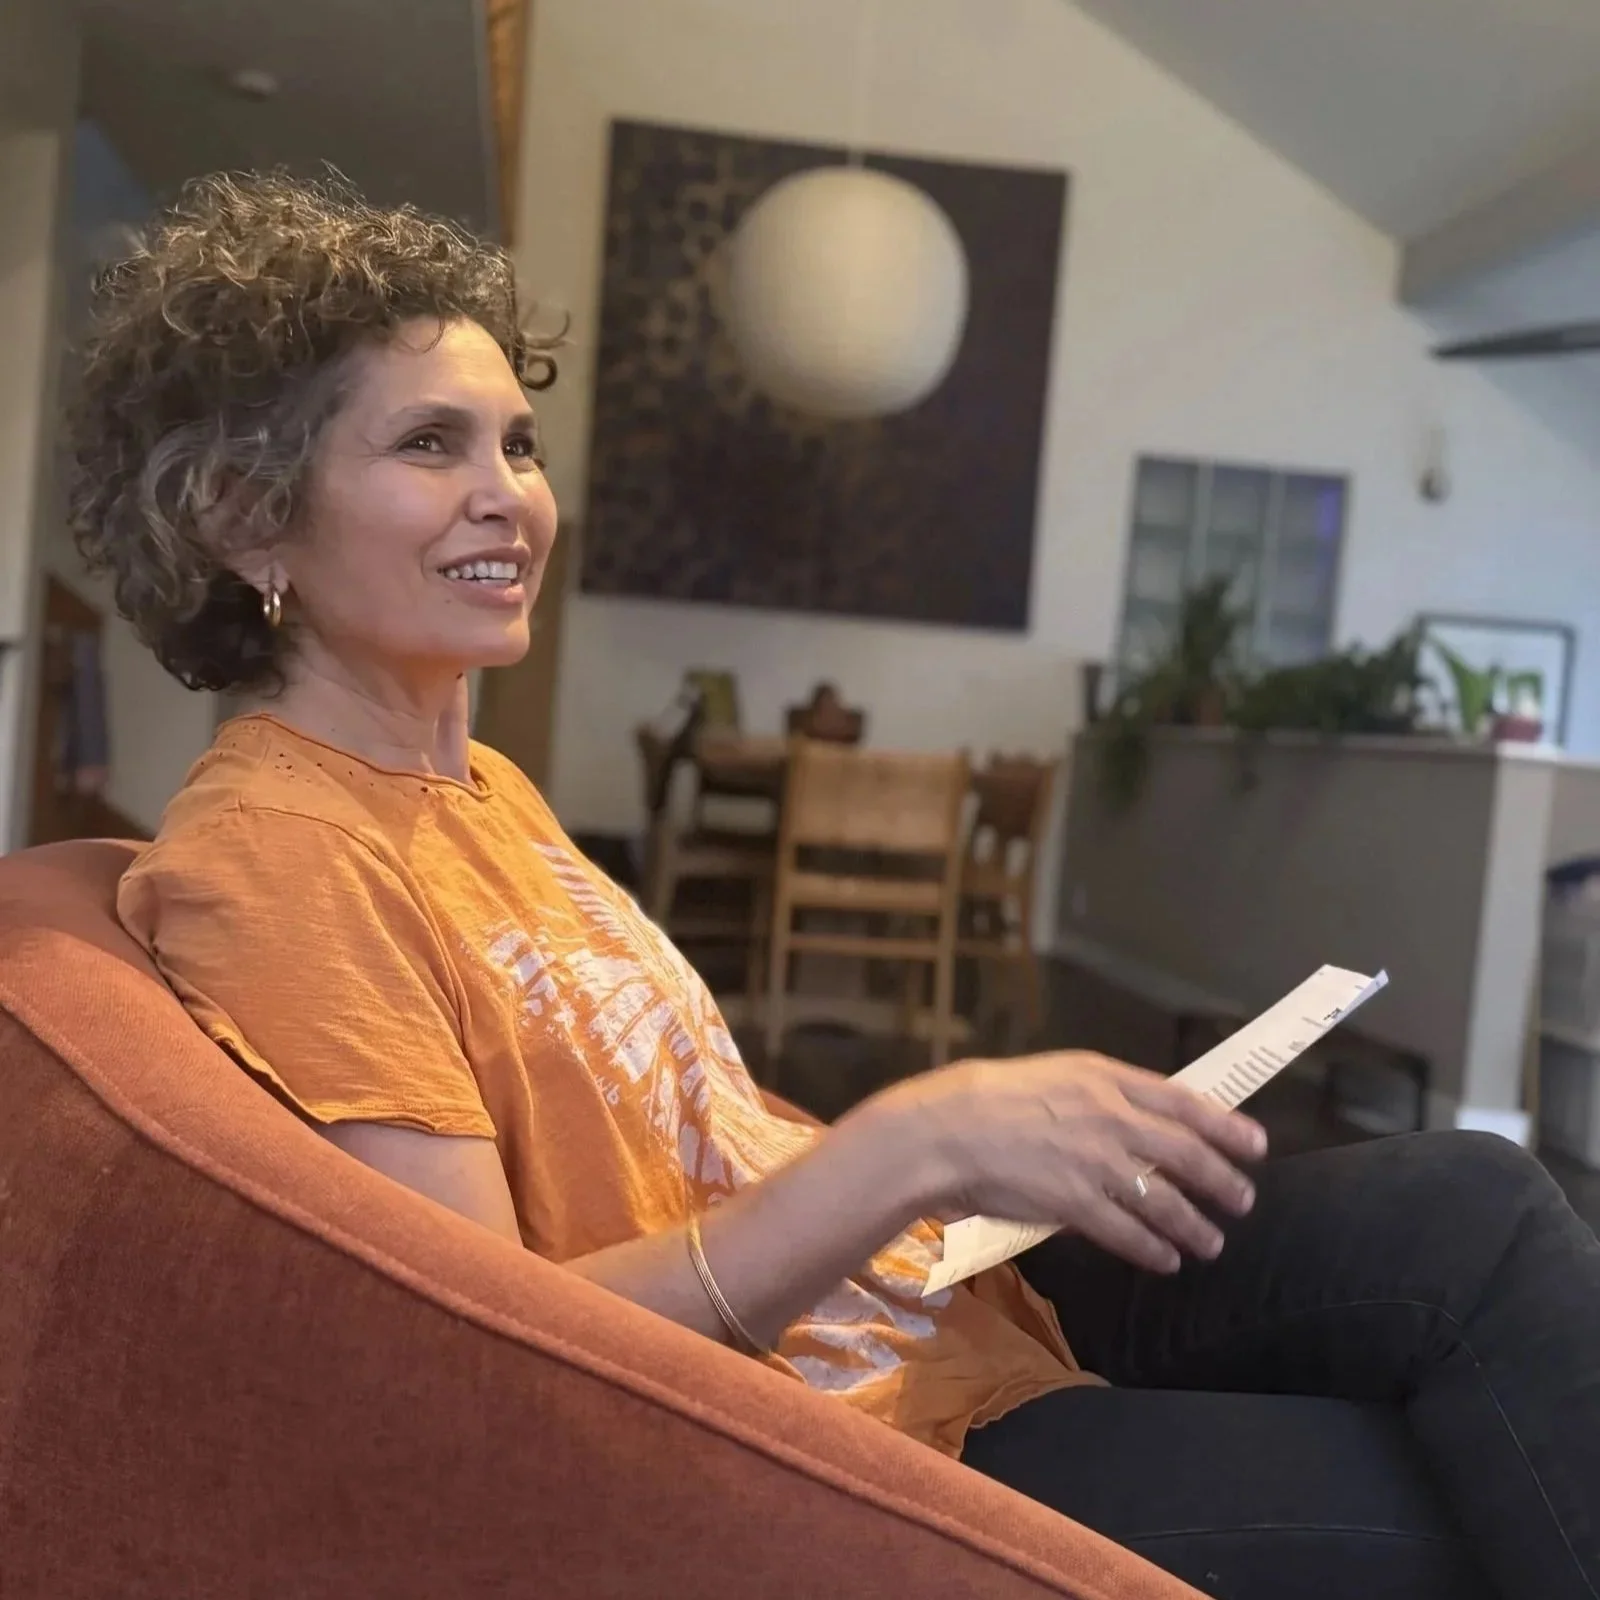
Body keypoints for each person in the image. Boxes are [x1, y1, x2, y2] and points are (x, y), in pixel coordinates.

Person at [70, 173, 1597, 1600]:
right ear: (246, 517)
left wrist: (978, 1158)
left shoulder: (477, 787)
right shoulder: (277, 853)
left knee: (1470, 1194)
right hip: (832, 1429)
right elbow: (488, 1351)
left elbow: (688, 1135)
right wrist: (914, 1141)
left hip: (932, 1291)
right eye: (428, 446)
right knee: (1442, 1500)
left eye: (517, 443)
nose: (510, 498)